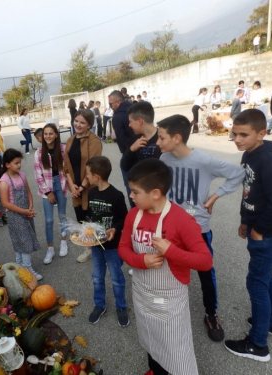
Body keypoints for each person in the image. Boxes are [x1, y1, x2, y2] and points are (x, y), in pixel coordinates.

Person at [118, 158, 213, 375]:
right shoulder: (133, 215)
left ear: (155, 193)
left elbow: (205, 261)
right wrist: (142, 261)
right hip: (142, 293)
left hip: (169, 300)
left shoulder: (181, 220)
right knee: (150, 337)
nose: (130, 196)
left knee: (174, 346)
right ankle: (154, 369)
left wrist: (171, 252)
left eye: (134, 191)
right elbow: (123, 248)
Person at [157, 114, 245, 342]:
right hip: (172, 226)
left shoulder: (204, 161)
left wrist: (215, 196)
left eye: (161, 137)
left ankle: (211, 314)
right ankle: (170, 307)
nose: (157, 142)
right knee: (169, 267)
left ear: (177, 138)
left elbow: (237, 174)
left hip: (199, 228)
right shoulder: (164, 159)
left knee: (206, 272)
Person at [226, 109, 272, 362]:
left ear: (262, 134)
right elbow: (249, 192)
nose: (238, 139)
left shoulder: (269, 161)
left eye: (244, 134)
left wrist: (259, 229)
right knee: (265, 277)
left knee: (256, 283)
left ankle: (258, 345)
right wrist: (245, 220)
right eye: (235, 134)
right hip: (260, 228)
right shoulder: (249, 154)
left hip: (270, 234)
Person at [85, 156, 129, 326]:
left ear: (97, 176)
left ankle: (121, 307)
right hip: (96, 245)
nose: (86, 177)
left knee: (117, 278)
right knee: (97, 276)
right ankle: (99, 305)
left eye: (88, 174)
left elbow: (123, 218)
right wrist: (86, 233)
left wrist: (115, 229)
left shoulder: (116, 195)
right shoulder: (91, 193)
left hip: (112, 246)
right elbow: (90, 216)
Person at [64, 109, 102, 263]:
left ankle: (96, 249)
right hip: (75, 188)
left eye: (82, 122)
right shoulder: (70, 139)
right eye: (76, 121)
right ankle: (89, 248)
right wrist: (71, 185)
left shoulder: (94, 140)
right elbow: (65, 165)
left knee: (92, 219)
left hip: (90, 188)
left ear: (89, 125)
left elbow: (94, 165)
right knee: (81, 218)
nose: (78, 125)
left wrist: (82, 186)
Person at [0, 148, 43, 280]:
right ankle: (27, 268)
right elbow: (6, 203)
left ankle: (18, 265)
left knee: (23, 238)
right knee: (24, 241)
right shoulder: (4, 181)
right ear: (7, 164)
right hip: (15, 215)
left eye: (20, 162)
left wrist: (30, 206)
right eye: (16, 163)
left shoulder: (22, 175)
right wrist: (24, 211)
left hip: (25, 212)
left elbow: (28, 192)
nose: (19, 165)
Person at [33, 124, 68, 264]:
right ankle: (50, 248)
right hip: (46, 187)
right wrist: (48, 192)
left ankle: (64, 241)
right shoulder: (39, 152)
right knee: (48, 220)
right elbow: (37, 175)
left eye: (51, 133)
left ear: (56, 135)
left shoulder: (63, 149)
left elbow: (67, 169)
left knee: (62, 216)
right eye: (45, 134)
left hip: (61, 184)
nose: (48, 136)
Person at [107, 90, 135, 206]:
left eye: (111, 104)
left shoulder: (118, 117)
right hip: (142, 154)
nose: (110, 107)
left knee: (131, 188)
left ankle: (135, 214)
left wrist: (126, 155)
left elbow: (121, 140)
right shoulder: (135, 109)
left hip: (129, 156)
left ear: (118, 102)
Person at [121, 101, 161, 173]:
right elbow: (125, 166)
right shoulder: (134, 139)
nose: (129, 125)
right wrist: (131, 149)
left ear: (140, 121)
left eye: (130, 121)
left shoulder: (162, 139)